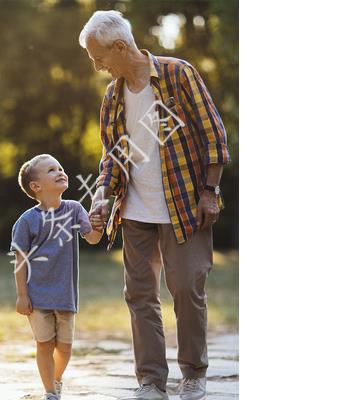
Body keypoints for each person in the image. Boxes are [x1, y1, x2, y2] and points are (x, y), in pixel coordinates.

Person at [78, 10, 231, 400]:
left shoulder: (178, 75)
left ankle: (194, 374)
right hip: (135, 210)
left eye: (99, 58)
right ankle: (151, 381)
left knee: (186, 288)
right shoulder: (112, 97)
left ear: (120, 46)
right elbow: (113, 157)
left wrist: (210, 191)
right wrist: (100, 197)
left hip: (183, 205)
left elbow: (213, 135)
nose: (96, 66)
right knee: (139, 295)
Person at [10, 154, 104, 400]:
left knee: (65, 347)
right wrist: (22, 295)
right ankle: (50, 392)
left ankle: (56, 378)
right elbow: (19, 262)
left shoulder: (74, 209)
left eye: (60, 167)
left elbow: (92, 238)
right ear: (36, 186)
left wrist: (99, 225)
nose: (60, 172)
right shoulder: (27, 221)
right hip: (37, 296)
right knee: (44, 344)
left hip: (65, 293)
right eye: (52, 170)